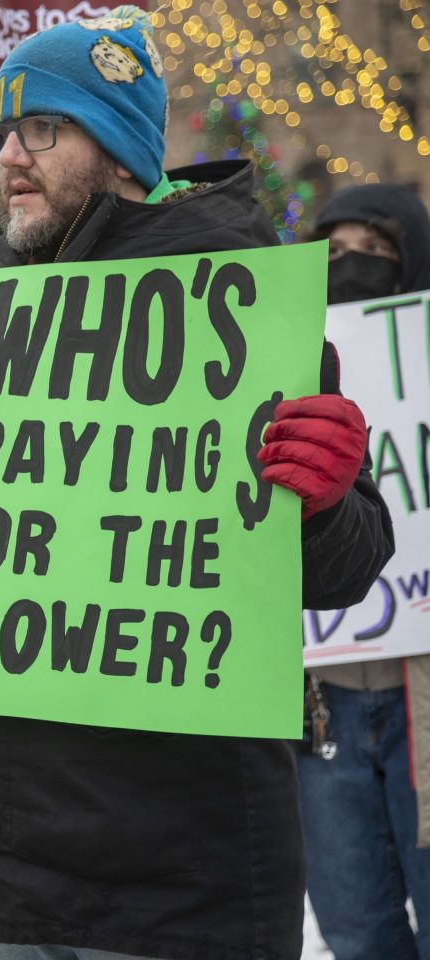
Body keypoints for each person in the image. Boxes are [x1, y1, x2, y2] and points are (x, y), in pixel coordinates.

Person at [0, 7, 395, 960]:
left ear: (122, 144)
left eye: (43, 127)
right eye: (1, 132)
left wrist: (327, 497)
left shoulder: (239, 302)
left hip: (180, 878)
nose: (10, 154)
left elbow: (344, 570)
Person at [298, 182, 430, 960]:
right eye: (336, 253)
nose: (352, 269)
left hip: (419, 695)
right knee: (356, 928)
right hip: (325, 704)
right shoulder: (287, 364)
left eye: (376, 253)